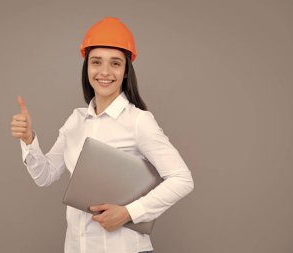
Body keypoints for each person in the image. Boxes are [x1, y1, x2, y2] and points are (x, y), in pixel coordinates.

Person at [11, 17, 194, 253]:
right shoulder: (75, 120)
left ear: (126, 71)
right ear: (87, 67)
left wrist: (129, 213)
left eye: (115, 63)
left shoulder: (138, 120)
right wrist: (28, 140)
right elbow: (45, 176)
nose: (104, 72)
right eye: (96, 62)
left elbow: (182, 179)